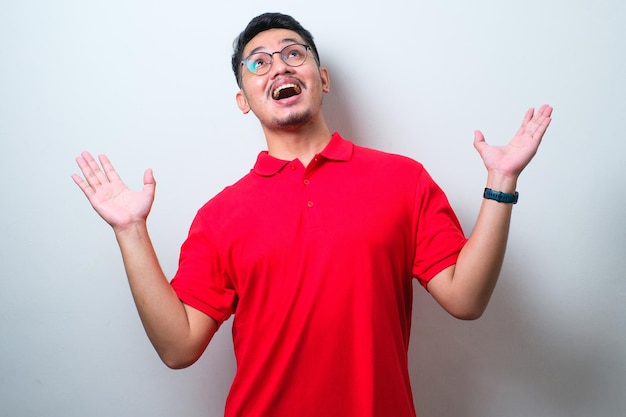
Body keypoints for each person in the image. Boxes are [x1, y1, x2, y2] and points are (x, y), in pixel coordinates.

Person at [72, 12, 552, 417]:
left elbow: (465, 299)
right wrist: (130, 231)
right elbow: (179, 348)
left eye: (293, 53)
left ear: (321, 79)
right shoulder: (219, 216)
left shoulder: (403, 180)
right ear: (244, 100)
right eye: (258, 63)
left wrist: (501, 184)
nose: (278, 66)